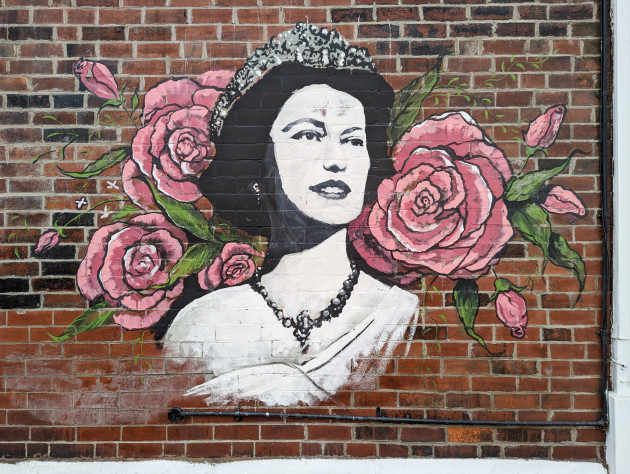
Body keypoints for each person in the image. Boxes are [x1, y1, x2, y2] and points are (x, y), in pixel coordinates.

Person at [163, 23, 419, 406]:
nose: (336, 161)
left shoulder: (402, 318)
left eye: (352, 140)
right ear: (258, 170)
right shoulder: (200, 327)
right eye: (308, 135)